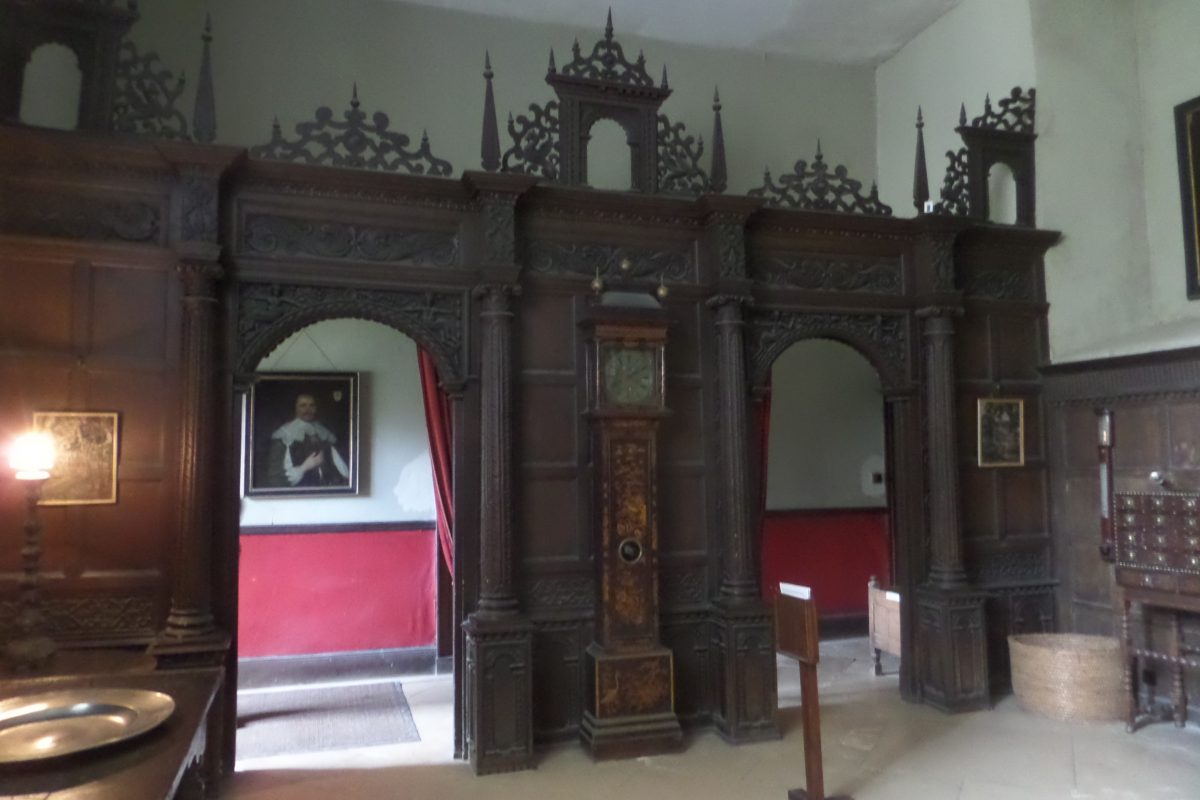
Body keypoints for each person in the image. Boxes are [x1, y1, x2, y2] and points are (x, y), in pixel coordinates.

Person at [264, 393, 350, 487]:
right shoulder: (283, 435)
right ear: (295, 408)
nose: (308, 410)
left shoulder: (323, 432)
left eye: (312, 405)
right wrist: (305, 467)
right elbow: (276, 480)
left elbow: (341, 467)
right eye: (303, 405)